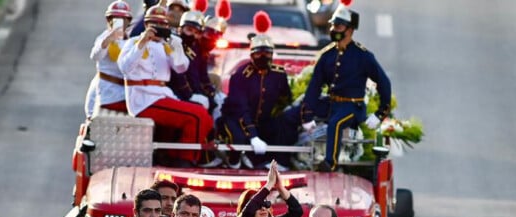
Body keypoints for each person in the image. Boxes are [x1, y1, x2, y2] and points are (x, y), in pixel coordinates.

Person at [287, 3, 391, 172]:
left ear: (350, 30)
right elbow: (314, 87)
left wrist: (380, 114)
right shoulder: (328, 55)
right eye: (333, 25)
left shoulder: (363, 56)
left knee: (335, 124)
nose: (334, 29)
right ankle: (284, 160)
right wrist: (306, 115)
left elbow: (384, 82)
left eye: (339, 26)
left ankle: (330, 163)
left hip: (353, 107)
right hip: (331, 103)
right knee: (291, 115)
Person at [118, 5, 214, 167]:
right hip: (143, 97)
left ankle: (176, 155)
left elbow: (181, 67)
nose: (159, 29)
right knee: (196, 115)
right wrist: (142, 42)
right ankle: (185, 159)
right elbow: (125, 67)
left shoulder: (165, 45)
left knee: (204, 116)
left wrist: (177, 47)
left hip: (162, 94)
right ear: (147, 25)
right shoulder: (133, 42)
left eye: (163, 25)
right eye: (155, 24)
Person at [217, 20, 293, 169]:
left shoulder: (279, 74)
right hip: (236, 119)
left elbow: (285, 99)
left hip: (262, 121)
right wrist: (253, 136)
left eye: (266, 53)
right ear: (251, 54)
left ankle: (281, 163)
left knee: (283, 127)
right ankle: (232, 161)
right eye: (258, 53)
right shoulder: (241, 75)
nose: (262, 57)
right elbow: (240, 109)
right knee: (238, 139)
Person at [89, 1, 133, 116]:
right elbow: (95, 56)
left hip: (127, 93)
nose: (119, 23)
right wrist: (107, 40)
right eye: (115, 19)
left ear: (128, 22)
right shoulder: (104, 37)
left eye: (123, 19)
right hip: (109, 94)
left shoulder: (131, 41)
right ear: (109, 20)